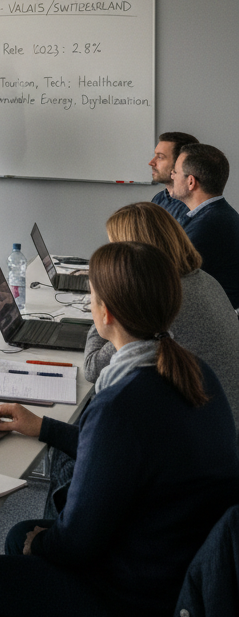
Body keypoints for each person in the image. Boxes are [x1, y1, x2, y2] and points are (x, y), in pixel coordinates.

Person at [0, 241, 239, 617]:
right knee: (18, 536)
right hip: (181, 571)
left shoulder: (122, 403)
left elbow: (78, 542)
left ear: (105, 314)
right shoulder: (192, 371)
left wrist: (41, 545)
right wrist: (43, 427)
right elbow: (124, 458)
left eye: (93, 298)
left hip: (141, 610)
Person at [84, 203, 239, 425]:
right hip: (216, 428)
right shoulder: (202, 279)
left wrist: (104, 294)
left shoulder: (161, 301)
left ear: (135, 254)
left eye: (114, 249)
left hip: (200, 437)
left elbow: (93, 367)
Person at [171, 142, 239, 307]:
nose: (172, 176)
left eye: (176, 172)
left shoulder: (209, 225)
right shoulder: (216, 214)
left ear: (191, 182)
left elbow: (169, 282)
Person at [148, 130, 197, 220]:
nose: (151, 163)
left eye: (160, 157)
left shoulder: (191, 206)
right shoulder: (159, 198)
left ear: (180, 162)